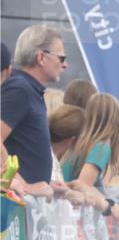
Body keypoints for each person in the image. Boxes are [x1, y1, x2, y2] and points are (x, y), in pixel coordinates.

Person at [1, 25, 69, 197]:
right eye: (61, 58)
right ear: (41, 57)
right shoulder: (20, 89)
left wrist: (46, 184)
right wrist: (23, 185)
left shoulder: (27, 90)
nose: (65, 64)